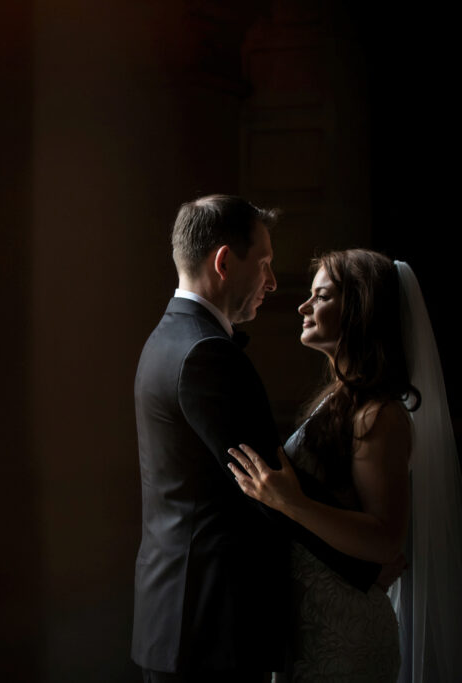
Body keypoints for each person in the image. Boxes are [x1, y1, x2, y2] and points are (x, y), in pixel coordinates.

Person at [132, 196, 380, 683]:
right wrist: (367, 559)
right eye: (264, 263)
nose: (272, 281)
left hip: (180, 619)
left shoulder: (167, 339)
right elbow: (270, 488)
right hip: (208, 629)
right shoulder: (206, 353)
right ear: (224, 262)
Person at [227, 249, 462, 682]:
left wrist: (291, 503)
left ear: (360, 308)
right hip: (314, 624)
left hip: (345, 633)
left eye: (321, 296)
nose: (303, 306)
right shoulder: (339, 403)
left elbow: (385, 541)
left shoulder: (379, 416)